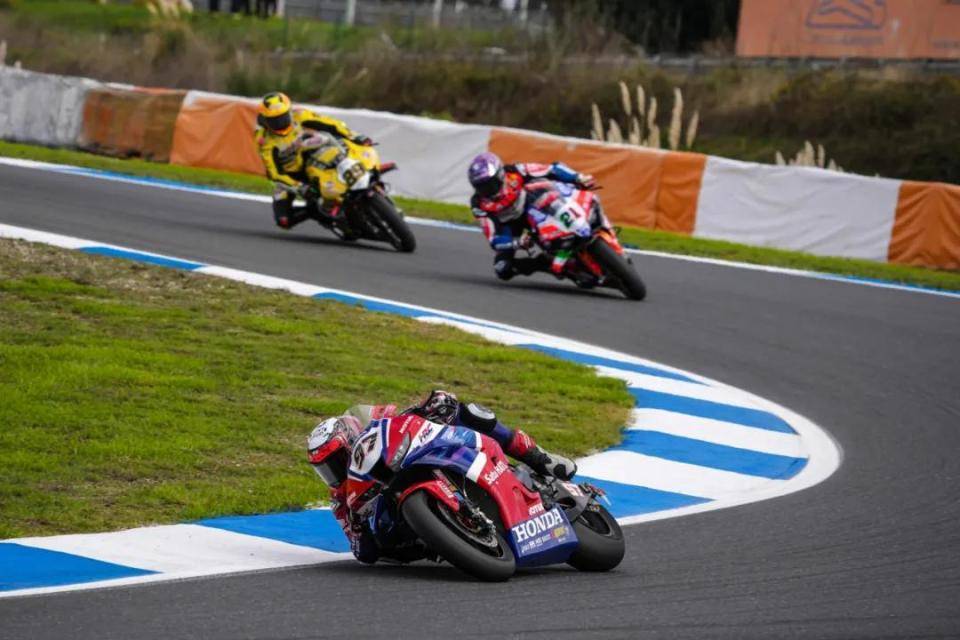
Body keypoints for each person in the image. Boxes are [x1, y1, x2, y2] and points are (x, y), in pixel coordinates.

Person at [306, 390, 577, 564]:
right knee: (386, 548)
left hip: (413, 454)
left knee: (469, 412)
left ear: (351, 438)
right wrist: (357, 528)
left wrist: (428, 406)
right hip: (408, 523)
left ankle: (539, 457)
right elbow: (363, 554)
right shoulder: (341, 500)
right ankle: (448, 537)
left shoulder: (375, 425)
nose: (334, 472)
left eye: (336, 460)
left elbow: (397, 416)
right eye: (326, 469)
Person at [467, 152, 596, 282]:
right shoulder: (478, 204)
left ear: (500, 175)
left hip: (532, 202)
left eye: (490, 184)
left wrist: (577, 177)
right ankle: (545, 262)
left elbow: (552, 169)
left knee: (551, 192)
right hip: (510, 225)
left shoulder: (515, 171)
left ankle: (582, 219)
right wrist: (517, 242)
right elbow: (493, 238)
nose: (487, 190)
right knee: (502, 269)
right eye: (481, 187)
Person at [254, 91, 373, 230]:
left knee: (345, 149)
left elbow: (331, 124)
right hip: (292, 176)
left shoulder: (300, 115)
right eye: (274, 120)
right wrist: (299, 186)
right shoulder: (264, 140)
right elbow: (274, 173)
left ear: (289, 111)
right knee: (284, 220)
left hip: (316, 155)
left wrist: (354, 136)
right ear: (265, 120)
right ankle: (315, 210)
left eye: (283, 117)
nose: (280, 123)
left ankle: (370, 174)